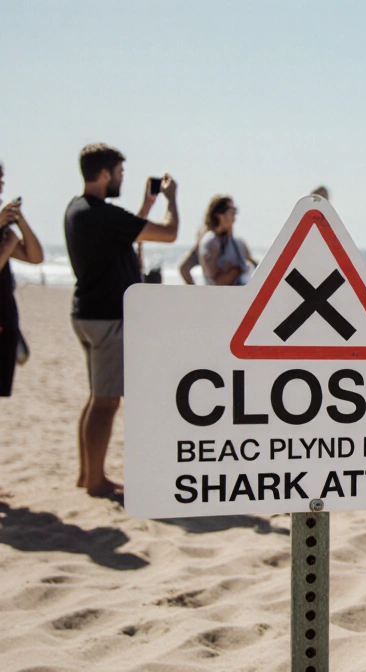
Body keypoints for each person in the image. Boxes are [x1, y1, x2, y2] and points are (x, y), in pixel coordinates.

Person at [64, 143, 179, 498]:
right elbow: (168, 233)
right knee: (106, 401)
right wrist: (172, 200)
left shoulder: (79, 210)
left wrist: (147, 204)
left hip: (87, 313)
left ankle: (88, 474)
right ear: (103, 174)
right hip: (108, 318)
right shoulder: (102, 215)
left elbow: (126, 235)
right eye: (119, 173)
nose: (121, 179)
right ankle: (96, 481)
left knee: (97, 397)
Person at [1, 161, 45, 397]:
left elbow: (35, 256)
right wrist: (7, 243)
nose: (1, 186)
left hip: (6, 321)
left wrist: (20, 221)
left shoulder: (4, 232)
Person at [197, 196, 254, 285]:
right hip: (218, 297)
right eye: (232, 210)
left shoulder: (238, 243)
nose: (234, 213)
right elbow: (216, 282)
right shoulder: (210, 242)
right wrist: (236, 270)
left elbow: (253, 264)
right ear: (219, 215)